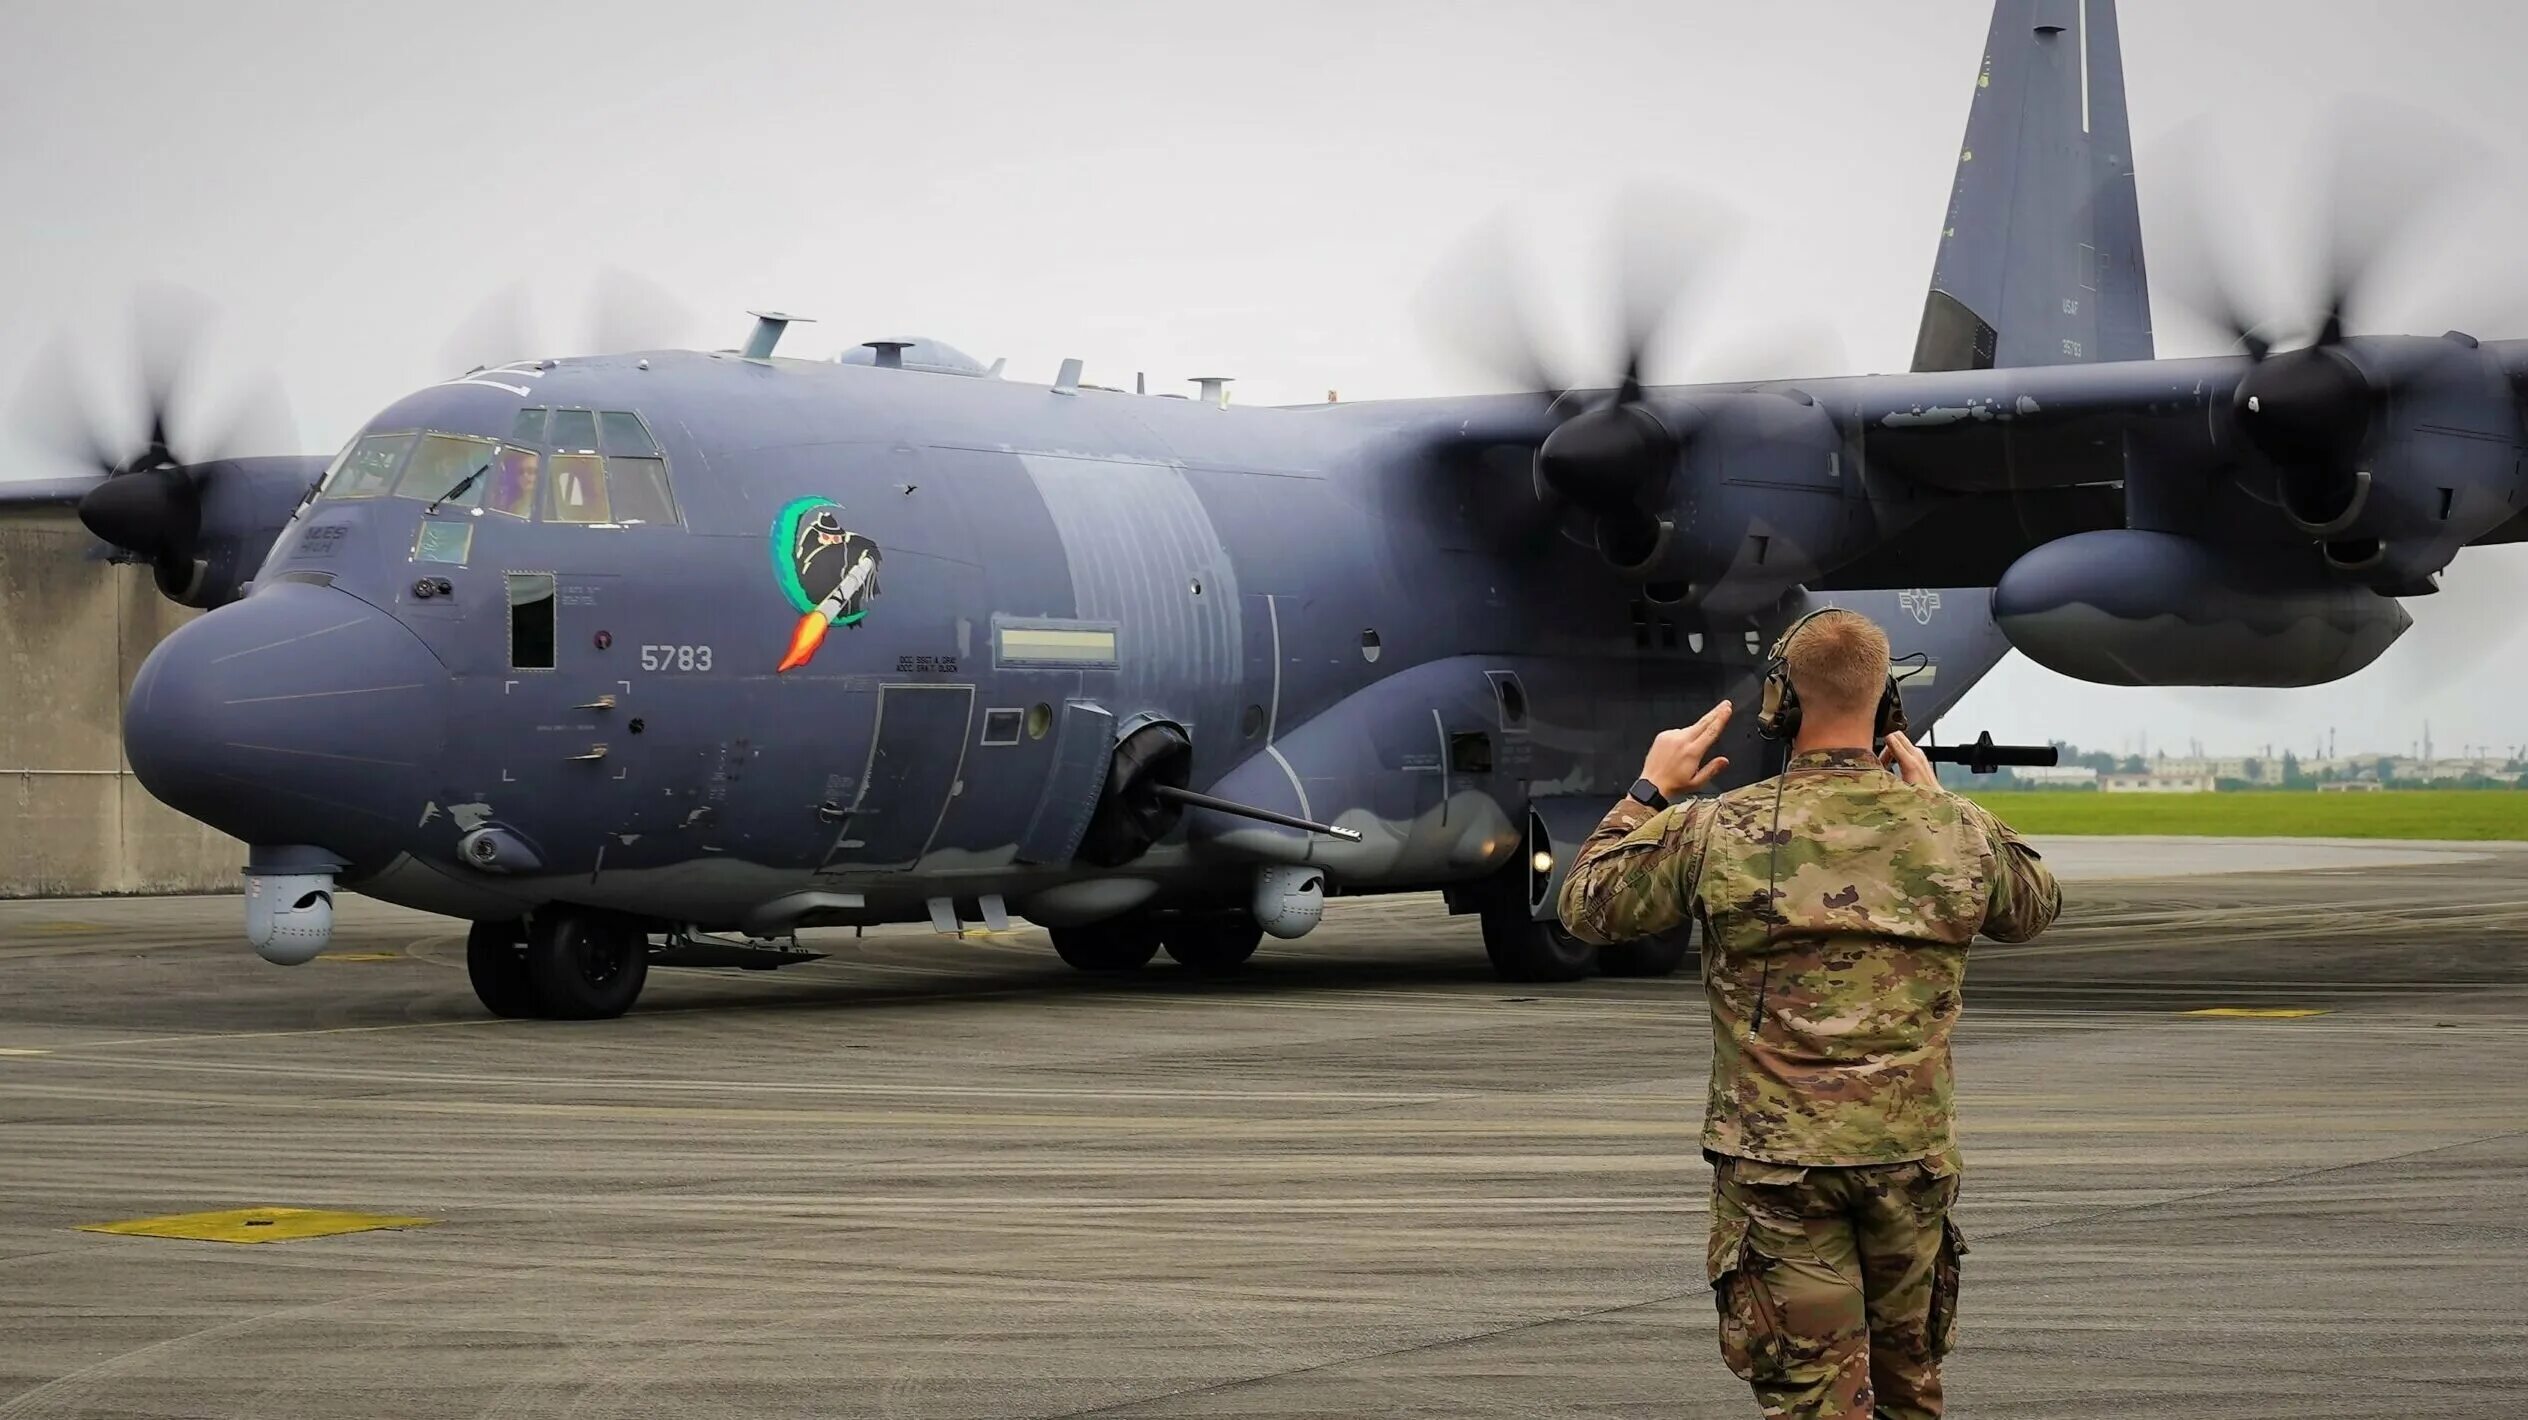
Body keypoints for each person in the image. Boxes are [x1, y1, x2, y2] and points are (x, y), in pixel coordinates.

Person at [1557, 608, 2060, 1420]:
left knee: (1815, 1402)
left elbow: (1586, 906)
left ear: (1780, 703)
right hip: (1908, 1165)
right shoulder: (1954, 834)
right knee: (1910, 1395)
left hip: (1778, 1172)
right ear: (1888, 705)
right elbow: (2035, 904)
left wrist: (1647, 790)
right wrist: (1945, 808)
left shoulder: (1720, 828)